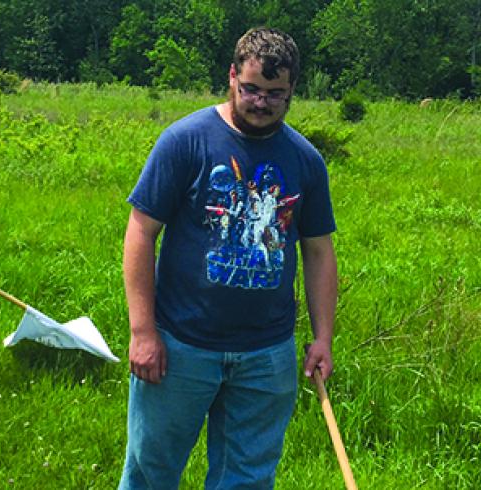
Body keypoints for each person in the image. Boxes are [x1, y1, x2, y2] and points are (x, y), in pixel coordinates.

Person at [119, 27, 338, 489]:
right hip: (181, 344)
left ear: (292, 90)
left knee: (248, 479)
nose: (261, 102)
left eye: (275, 94)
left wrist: (323, 338)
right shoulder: (185, 141)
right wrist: (143, 331)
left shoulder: (306, 160)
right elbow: (141, 232)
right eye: (251, 89)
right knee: (150, 471)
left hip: (267, 352)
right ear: (232, 76)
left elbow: (318, 250)